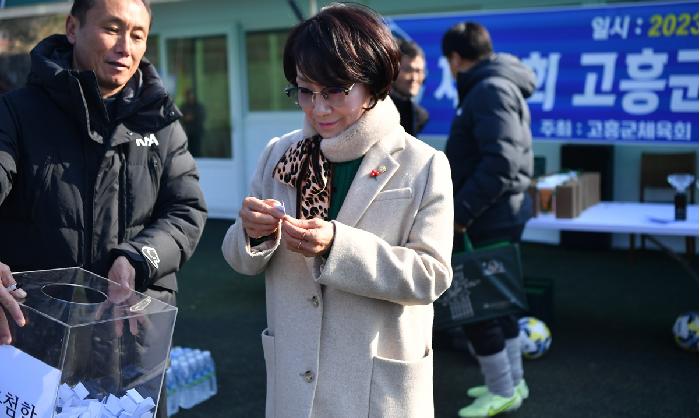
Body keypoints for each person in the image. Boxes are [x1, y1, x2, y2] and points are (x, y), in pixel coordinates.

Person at [222, 4, 453, 417]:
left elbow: (431, 276)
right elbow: (239, 258)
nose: (319, 108)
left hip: (375, 387)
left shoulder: (423, 164)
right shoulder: (281, 153)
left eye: (335, 91)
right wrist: (254, 234)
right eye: (305, 91)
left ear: (374, 84)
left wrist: (338, 245)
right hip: (294, 379)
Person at [0, 0, 207, 416]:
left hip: (131, 347)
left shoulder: (161, 122)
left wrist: (137, 258)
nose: (125, 47)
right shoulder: (17, 112)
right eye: (112, 28)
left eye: (138, 35)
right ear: (73, 28)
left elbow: (186, 210)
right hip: (31, 345)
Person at [441, 22, 535, 417]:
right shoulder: (494, 85)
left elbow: (501, 162)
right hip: (498, 212)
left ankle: (503, 390)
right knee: (500, 302)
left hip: (487, 216)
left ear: (457, 59)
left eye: (448, 62)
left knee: (481, 304)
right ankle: (512, 383)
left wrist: (460, 215)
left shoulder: (488, 89)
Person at [389, 39, 429, 136]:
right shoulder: (375, 111)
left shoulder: (420, 116)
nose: (414, 78)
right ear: (392, 71)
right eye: (408, 70)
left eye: (419, 71)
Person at [180, 88, 206, 157]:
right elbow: (180, 118)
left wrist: (192, 117)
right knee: (188, 151)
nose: (190, 97)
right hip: (187, 133)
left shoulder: (198, 106)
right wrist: (185, 119)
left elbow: (202, 117)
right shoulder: (184, 106)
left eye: (191, 95)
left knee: (197, 150)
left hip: (197, 133)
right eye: (188, 96)